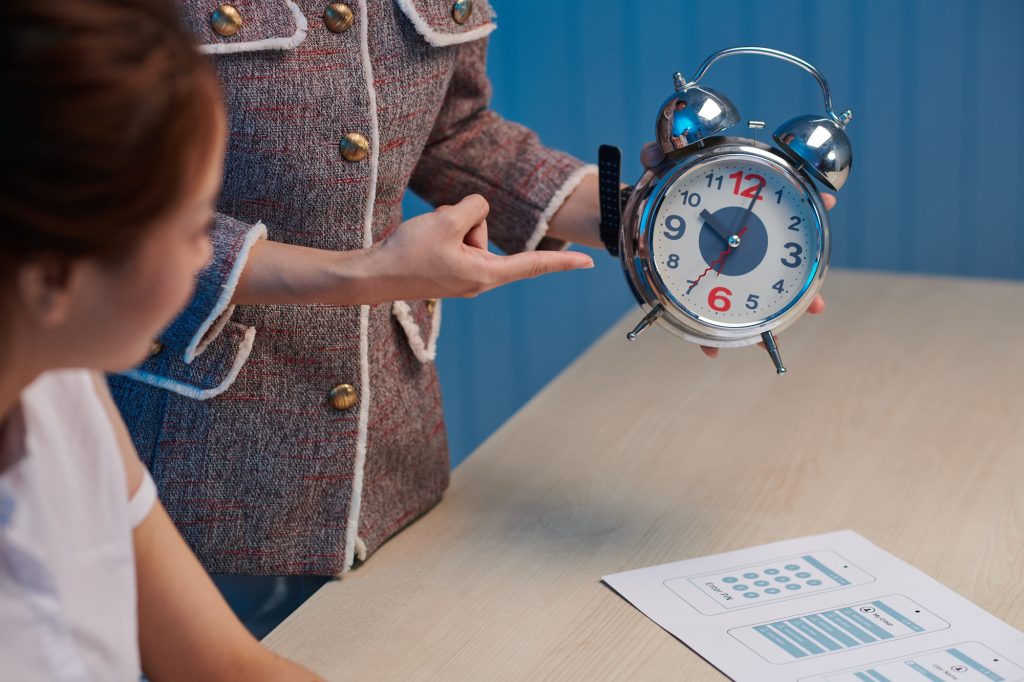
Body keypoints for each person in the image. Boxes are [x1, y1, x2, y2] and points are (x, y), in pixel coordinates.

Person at [109, 0, 828, 636]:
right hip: (205, 481)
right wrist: (360, 276)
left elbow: (455, 133)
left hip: (395, 473)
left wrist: (660, 219)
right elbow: (105, 217)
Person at [0, 0, 323, 677]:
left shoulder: (63, 385)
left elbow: (224, 666)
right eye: (196, 227)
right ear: (52, 277)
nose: (207, 259)